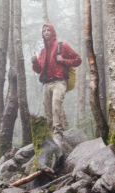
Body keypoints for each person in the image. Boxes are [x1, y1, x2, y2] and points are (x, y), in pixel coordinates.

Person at [30, 22, 82, 155]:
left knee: (56, 105)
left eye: (48, 30)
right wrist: (35, 61)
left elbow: (78, 60)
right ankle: (51, 136)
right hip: (46, 84)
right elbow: (38, 70)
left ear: (52, 32)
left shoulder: (62, 46)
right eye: (44, 31)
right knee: (47, 111)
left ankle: (58, 134)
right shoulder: (42, 52)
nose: (46, 33)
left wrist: (64, 61)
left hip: (59, 82)